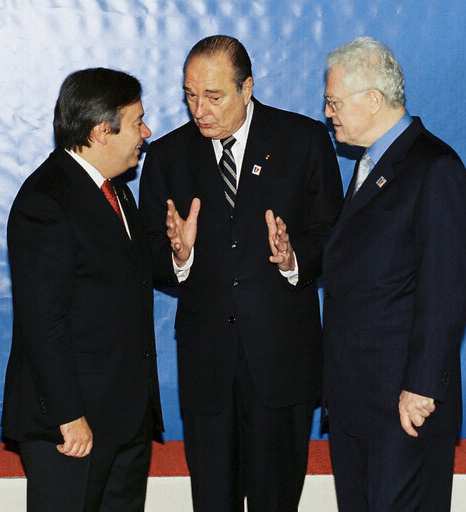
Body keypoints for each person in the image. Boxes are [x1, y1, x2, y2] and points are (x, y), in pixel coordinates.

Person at [138, 35, 343, 512]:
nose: (199, 109)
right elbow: (146, 255)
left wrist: (293, 259)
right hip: (207, 366)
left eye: (213, 96)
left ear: (246, 88)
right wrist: (178, 256)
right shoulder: (168, 156)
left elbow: (333, 236)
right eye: (190, 95)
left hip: (281, 361)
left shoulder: (303, 140)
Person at [321, 37, 466, 512]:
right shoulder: (371, 164)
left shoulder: (435, 168)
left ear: (373, 99)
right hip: (354, 401)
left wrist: (423, 387)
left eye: (334, 102)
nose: (328, 113)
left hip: (403, 406)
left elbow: (445, 288)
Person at [1, 67, 162, 512]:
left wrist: (180, 253)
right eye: (137, 122)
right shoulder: (46, 201)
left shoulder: (115, 193)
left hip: (124, 420)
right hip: (73, 428)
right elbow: (42, 321)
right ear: (101, 132)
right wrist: (69, 417)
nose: (146, 133)